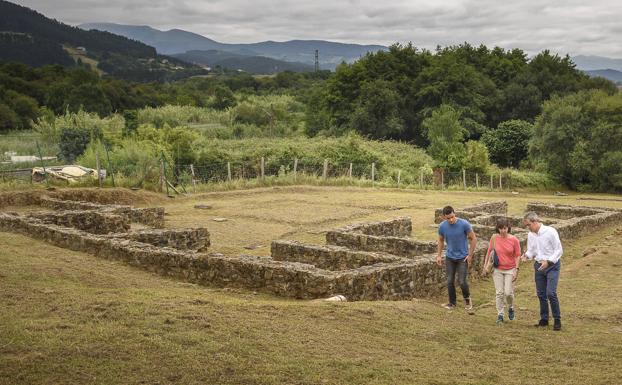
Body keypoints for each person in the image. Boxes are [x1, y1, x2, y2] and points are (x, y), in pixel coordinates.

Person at [521, 212, 563, 331]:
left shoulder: (550, 232)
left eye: (528, 225)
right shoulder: (531, 234)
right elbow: (532, 250)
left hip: (552, 266)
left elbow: (559, 250)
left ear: (535, 222)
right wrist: (526, 256)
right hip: (539, 266)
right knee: (541, 294)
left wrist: (548, 262)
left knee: (551, 293)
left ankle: (557, 319)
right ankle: (544, 319)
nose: (528, 228)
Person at [437, 205, 477, 311]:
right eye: (448, 218)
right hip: (450, 257)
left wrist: (470, 255)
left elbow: (473, 239)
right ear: (443, 217)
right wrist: (439, 255)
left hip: (462, 258)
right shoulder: (442, 226)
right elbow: (440, 240)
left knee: (462, 281)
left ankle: (467, 300)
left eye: (452, 217)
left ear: (455, 214)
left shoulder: (464, 224)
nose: (450, 220)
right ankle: (452, 303)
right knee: (449, 281)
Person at [482, 218, 521, 324]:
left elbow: (517, 256)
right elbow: (489, 252)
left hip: (510, 269)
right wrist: (485, 266)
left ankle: (511, 307)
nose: (503, 231)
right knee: (499, 293)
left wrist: (516, 270)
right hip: (497, 269)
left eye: (505, 228)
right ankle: (500, 314)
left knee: (508, 293)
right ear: (497, 229)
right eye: (501, 228)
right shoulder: (494, 238)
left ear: (508, 228)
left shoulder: (514, 240)